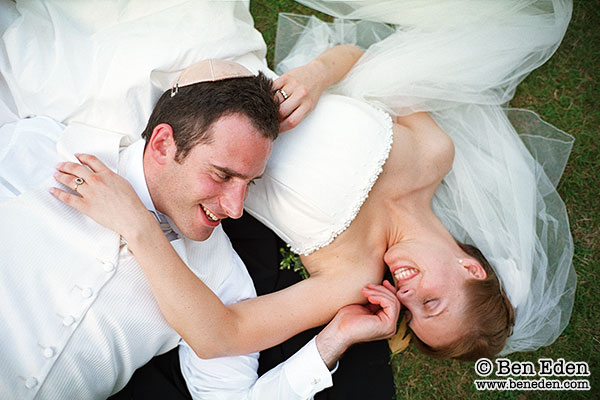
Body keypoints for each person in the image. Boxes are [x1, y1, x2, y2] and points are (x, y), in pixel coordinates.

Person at [55, 0, 576, 369]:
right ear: (470, 267)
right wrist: (319, 74)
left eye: (410, 313)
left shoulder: (352, 275)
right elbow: (364, 59)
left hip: (163, 124)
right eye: (432, 302)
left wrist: (138, 229)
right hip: (221, 56)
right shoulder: (434, 153)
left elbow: (222, 335)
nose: (408, 295)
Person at [0, 56, 400, 399]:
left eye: (249, 184)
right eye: (222, 175)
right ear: (162, 145)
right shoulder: (48, 152)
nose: (236, 209)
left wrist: (335, 339)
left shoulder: (222, 278)